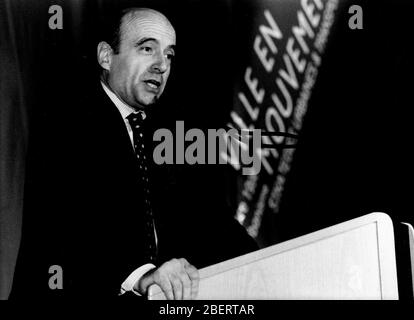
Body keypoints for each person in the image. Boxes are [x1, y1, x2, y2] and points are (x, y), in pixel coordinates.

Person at [11, 7, 257, 300]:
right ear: (106, 56)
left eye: (169, 55)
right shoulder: (67, 118)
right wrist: (142, 276)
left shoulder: (170, 130)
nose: (161, 65)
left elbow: (211, 217)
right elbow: (74, 225)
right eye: (147, 48)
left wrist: (268, 261)